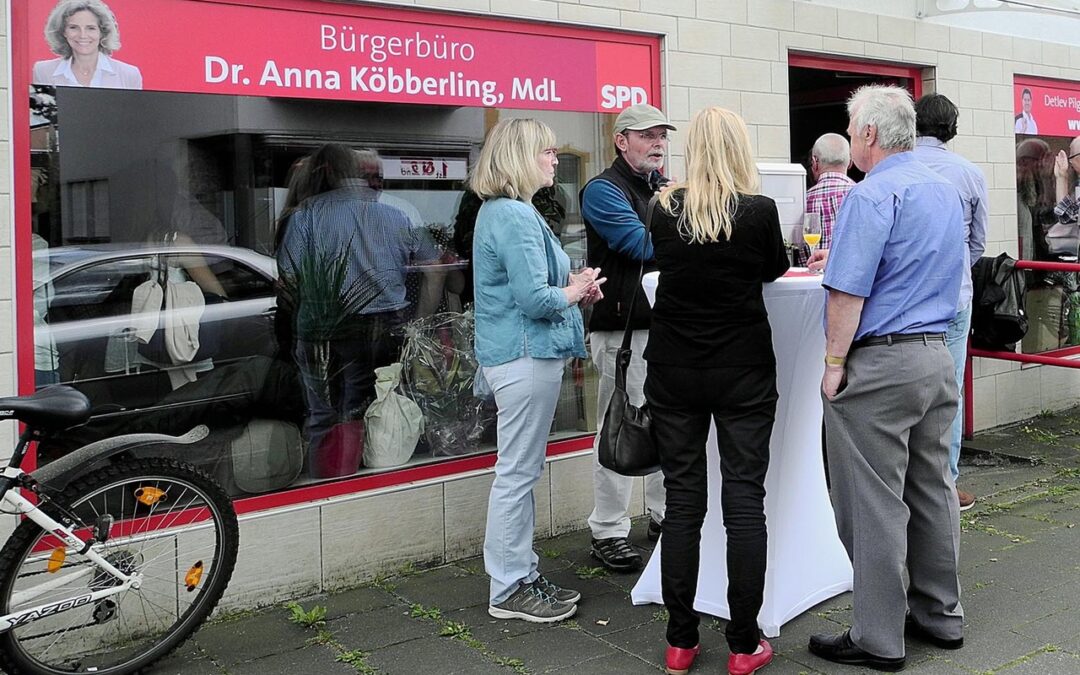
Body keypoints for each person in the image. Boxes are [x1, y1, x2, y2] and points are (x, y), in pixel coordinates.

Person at [809, 85, 966, 671]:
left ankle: (878, 636)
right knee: (932, 490)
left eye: (852, 129)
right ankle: (939, 615)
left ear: (870, 134)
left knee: (872, 502)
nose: (851, 139)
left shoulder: (871, 194)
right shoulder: (942, 189)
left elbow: (848, 293)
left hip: (882, 365)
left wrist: (832, 366)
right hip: (935, 357)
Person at [645, 107, 788, 675]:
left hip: (675, 369)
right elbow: (774, 271)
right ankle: (743, 643)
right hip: (743, 370)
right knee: (744, 501)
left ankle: (680, 641)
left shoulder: (663, 208)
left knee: (683, 501)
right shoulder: (758, 211)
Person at [471, 118, 603, 623]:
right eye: (546, 151)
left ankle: (520, 573)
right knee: (517, 474)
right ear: (521, 157)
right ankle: (508, 587)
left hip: (521, 355)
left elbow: (526, 285)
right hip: (525, 356)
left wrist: (573, 283)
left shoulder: (504, 212)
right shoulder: (514, 215)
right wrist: (574, 291)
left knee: (519, 471)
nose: (554, 158)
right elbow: (533, 298)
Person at [277, 143, 441, 456]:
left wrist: (306, 309)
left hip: (325, 324)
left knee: (325, 410)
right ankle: (376, 465)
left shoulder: (307, 216)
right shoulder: (397, 214)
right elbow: (435, 268)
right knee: (381, 405)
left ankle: (331, 471)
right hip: (387, 323)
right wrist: (418, 322)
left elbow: (289, 278)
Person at [579, 103, 673, 572]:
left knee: (665, 426)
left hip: (663, 328)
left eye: (662, 136)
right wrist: (685, 223)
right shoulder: (602, 190)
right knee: (620, 427)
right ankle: (609, 529)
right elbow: (643, 245)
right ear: (622, 141)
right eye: (648, 136)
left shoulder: (662, 187)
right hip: (623, 330)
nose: (658, 143)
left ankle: (662, 517)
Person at [913, 94, 989, 511]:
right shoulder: (969, 173)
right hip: (953, 296)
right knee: (950, 392)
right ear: (951, 127)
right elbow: (978, 242)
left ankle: (908, 481)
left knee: (907, 389)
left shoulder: (895, 170)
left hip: (903, 303)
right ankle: (946, 483)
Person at [33, 0, 143, 89]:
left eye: (91, 28)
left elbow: (134, 116)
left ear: (102, 32)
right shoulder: (43, 71)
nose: (82, 35)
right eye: (73, 27)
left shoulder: (129, 74)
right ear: (63, 31)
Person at [797, 133, 855, 266]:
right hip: (847, 283)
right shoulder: (863, 196)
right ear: (850, 162)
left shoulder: (802, 200)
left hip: (807, 283)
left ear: (815, 162)